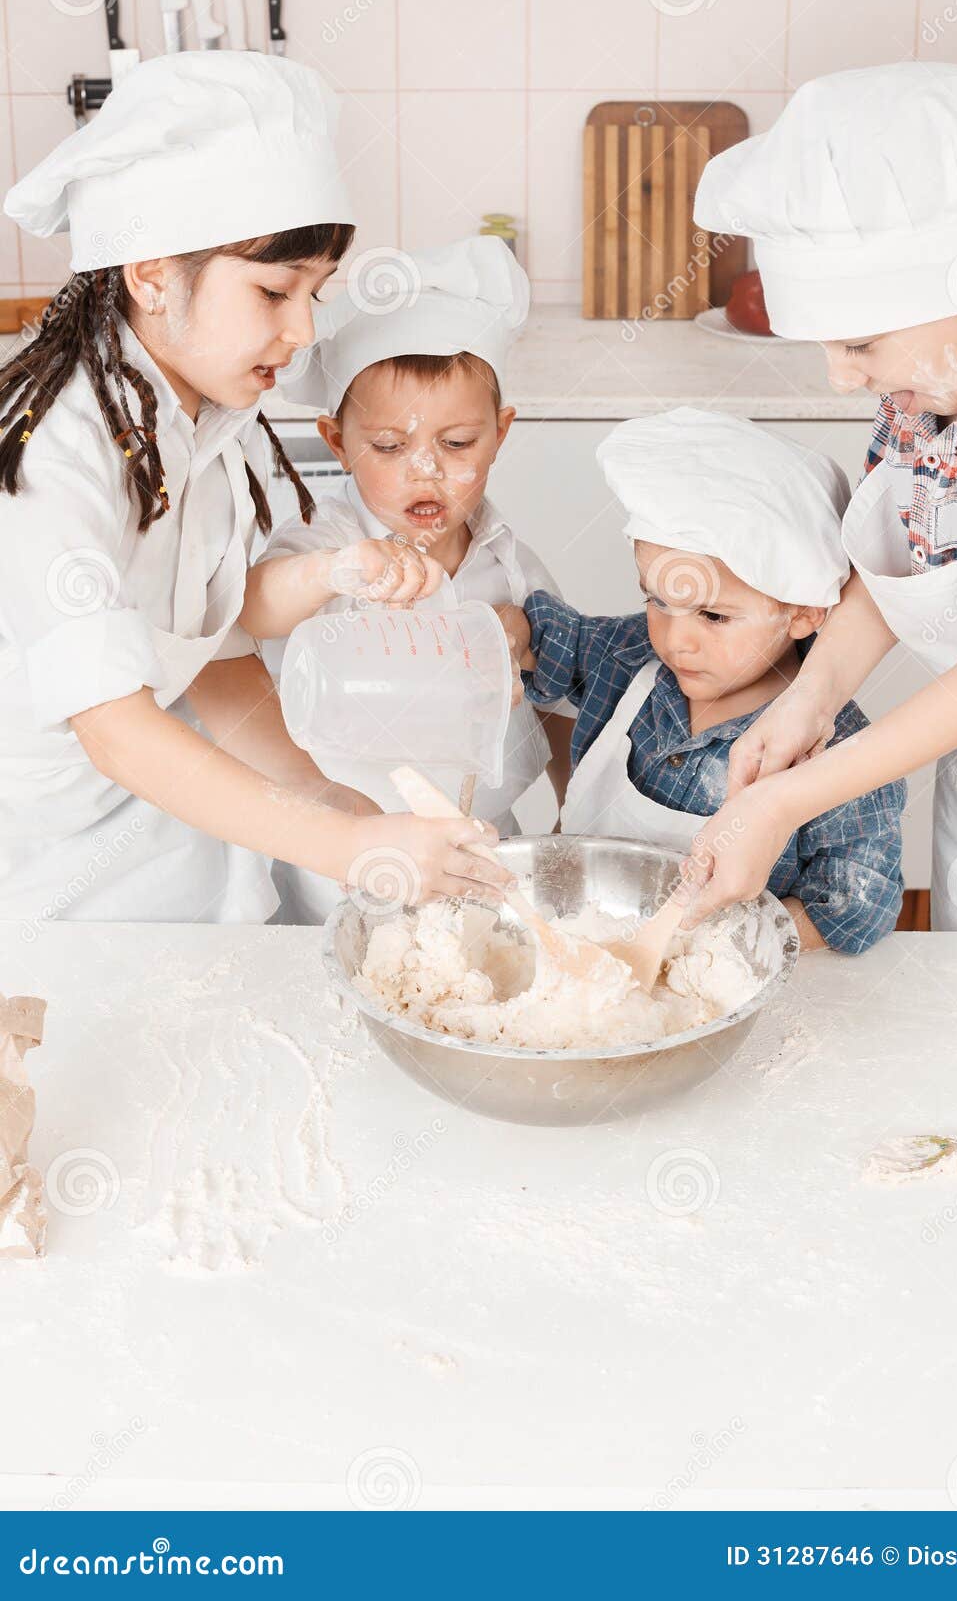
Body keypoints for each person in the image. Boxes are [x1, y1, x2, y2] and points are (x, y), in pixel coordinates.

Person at [0, 52, 512, 925]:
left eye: (315, 293)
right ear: (152, 273)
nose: (305, 330)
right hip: (56, 877)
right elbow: (116, 729)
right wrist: (348, 847)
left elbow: (217, 654)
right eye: (275, 290)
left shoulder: (208, 421)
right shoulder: (53, 456)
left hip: (179, 833)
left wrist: (325, 803)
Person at [683, 62, 957, 933]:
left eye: (857, 342)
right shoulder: (934, 375)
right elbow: (895, 556)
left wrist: (778, 806)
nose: (838, 376)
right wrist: (807, 699)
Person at [241, 236, 574, 922]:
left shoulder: (512, 564)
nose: (425, 470)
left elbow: (561, 700)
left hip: (481, 846)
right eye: (389, 447)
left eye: (456, 444)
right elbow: (251, 608)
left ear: (500, 432)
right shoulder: (330, 540)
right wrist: (333, 571)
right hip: (345, 859)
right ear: (337, 441)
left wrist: (573, 819)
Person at [500, 408, 905, 952]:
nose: (676, 640)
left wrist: (716, 944)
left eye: (714, 616)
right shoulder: (626, 658)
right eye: (657, 600)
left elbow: (855, 910)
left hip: (715, 981)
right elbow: (547, 640)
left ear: (806, 612)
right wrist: (506, 633)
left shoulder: (845, 759)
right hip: (567, 950)